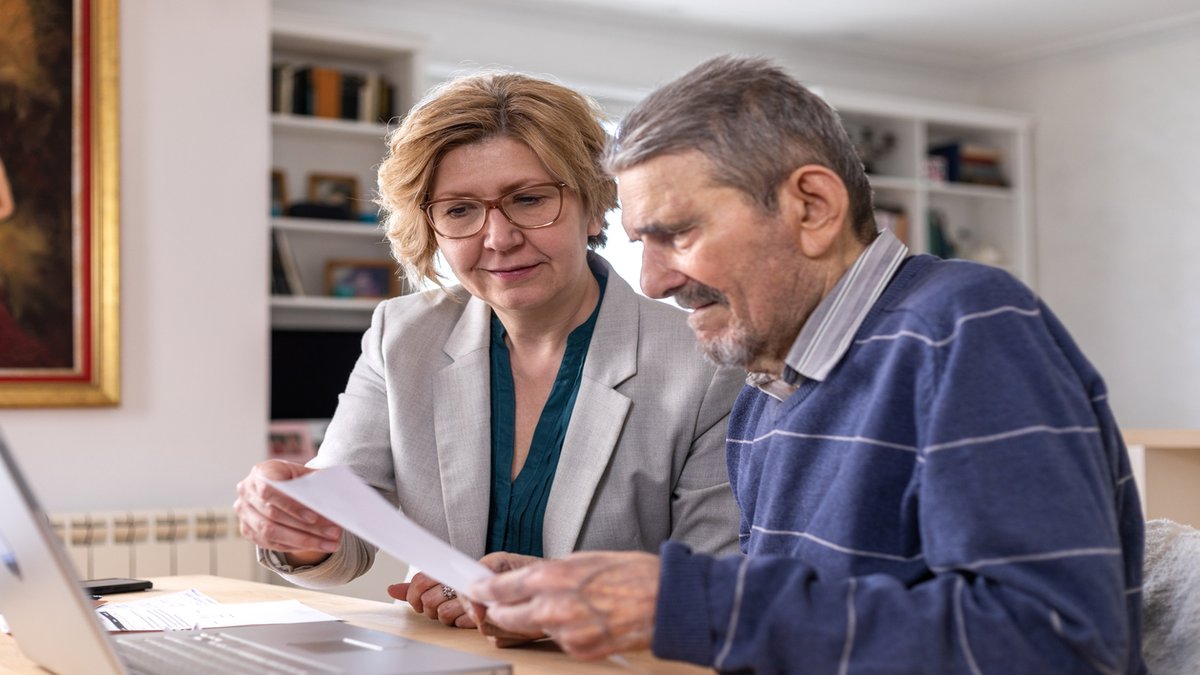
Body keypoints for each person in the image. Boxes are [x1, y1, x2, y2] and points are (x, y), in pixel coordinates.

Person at [467, 55, 1146, 673]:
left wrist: (684, 604)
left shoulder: (967, 327)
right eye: (640, 242)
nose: (651, 281)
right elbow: (801, 626)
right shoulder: (767, 383)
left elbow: (1058, 644)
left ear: (812, 207)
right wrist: (577, 598)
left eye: (676, 233)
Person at [234, 71, 744, 630]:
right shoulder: (400, 336)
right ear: (431, 227)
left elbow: (717, 585)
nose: (498, 238)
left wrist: (551, 602)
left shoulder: (705, 363)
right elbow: (342, 545)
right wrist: (299, 526)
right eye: (459, 210)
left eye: (528, 200)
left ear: (595, 206)